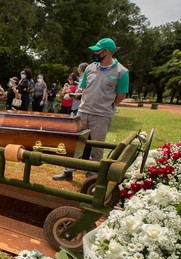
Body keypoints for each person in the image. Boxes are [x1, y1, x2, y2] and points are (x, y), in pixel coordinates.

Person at [53, 38, 129, 182]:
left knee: (97, 146)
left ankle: (92, 175)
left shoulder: (121, 72)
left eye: (97, 50)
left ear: (106, 52)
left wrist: (106, 105)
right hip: (83, 112)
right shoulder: (90, 68)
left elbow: (121, 95)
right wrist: (75, 95)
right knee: (75, 143)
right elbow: (82, 87)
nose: (94, 53)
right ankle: (68, 171)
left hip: (101, 115)